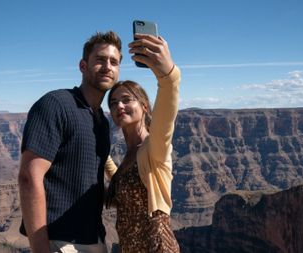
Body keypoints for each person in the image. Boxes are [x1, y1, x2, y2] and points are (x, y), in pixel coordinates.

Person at [18, 31, 122, 253]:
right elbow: (28, 177)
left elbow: (86, 183)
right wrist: (40, 248)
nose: (107, 66)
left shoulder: (101, 122)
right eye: (100, 59)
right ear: (83, 66)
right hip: (61, 242)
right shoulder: (56, 104)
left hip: (94, 239)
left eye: (114, 62)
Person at [104, 33, 181, 252]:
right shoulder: (131, 154)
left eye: (127, 99)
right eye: (114, 103)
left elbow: (166, 118)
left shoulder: (154, 148)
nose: (119, 106)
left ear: (144, 106)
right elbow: (118, 174)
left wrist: (169, 77)